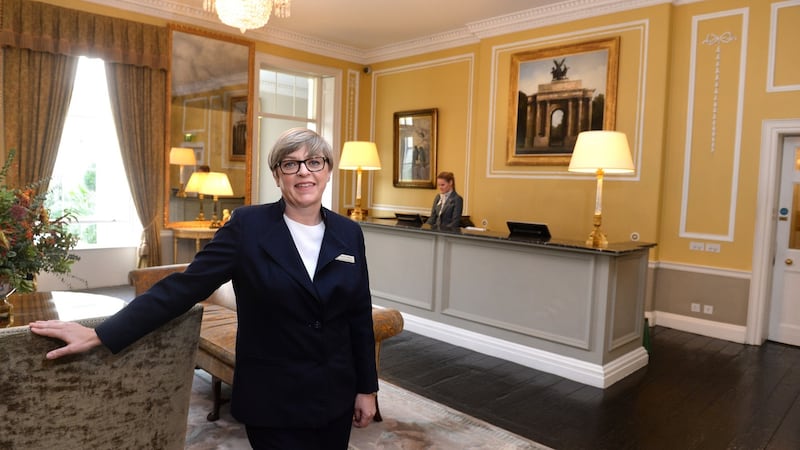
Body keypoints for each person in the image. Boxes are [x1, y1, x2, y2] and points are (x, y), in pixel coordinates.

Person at [30, 128, 378, 449]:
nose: (304, 172)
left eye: (314, 162)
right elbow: (184, 287)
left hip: (335, 393)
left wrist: (366, 388)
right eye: (291, 164)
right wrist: (101, 334)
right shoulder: (248, 227)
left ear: (328, 170)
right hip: (274, 398)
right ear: (277, 175)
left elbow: (359, 314)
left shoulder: (348, 233)